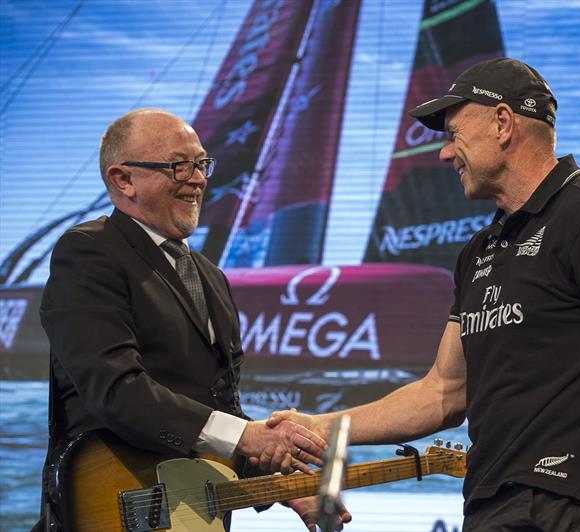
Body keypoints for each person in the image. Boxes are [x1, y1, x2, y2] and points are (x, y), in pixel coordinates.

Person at [269, 58, 580, 531]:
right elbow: (441, 393)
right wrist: (320, 426)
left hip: (573, 510)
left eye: (453, 133)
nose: (443, 154)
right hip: (487, 508)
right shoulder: (478, 251)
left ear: (502, 122)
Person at [37, 108, 350, 531]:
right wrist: (248, 435)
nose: (199, 179)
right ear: (122, 179)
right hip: (108, 508)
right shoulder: (89, 253)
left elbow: (220, 412)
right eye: (177, 166)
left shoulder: (212, 277)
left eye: (202, 164)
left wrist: (284, 484)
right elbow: (115, 390)